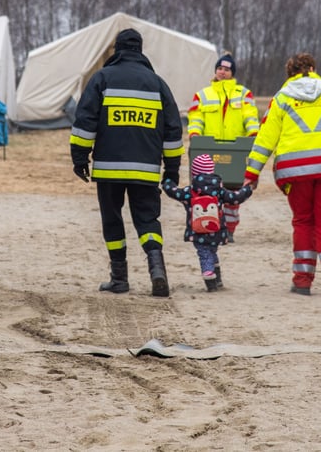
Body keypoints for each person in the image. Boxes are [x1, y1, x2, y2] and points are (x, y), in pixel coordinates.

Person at [243, 53, 321, 299]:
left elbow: (265, 138)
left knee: (303, 222)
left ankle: (302, 281)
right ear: (312, 68)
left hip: (294, 170)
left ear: (289, 73)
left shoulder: (281, 98)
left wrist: (252, 171)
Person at [70, 28, 184, 297]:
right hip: (146, 170)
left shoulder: (102, 78)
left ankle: (119, 279)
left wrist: (79, 158)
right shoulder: (157, 84)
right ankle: (157, 269)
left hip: (108, 169)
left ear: (117, 49)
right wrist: (172, 169)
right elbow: (173, 130)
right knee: (147, 220)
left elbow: (85, 121)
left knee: (112, 219)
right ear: (140, 50)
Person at [187, 53, 259, 241]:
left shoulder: (244, 94)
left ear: (232, 73)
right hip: (210, 152)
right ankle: (211, 227)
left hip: (236, 153)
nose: (222, 72)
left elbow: (250, 116)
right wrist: (195, 134)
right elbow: (196, 118)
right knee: (209, 194)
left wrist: (253, 134)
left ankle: (230, 230)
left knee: (233, 195)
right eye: (220, 68)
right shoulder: (202, 95)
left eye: (226, 69)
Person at [163, 153, 254, 291]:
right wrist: (248, 188)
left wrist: (167, 182)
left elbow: (174, 192)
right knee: (212, 251)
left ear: (193, 173)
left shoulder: (190, 191)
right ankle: (218, 279)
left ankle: (210, 279)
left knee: (204, 253)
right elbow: (235, 198)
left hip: (197, 231)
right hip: (216, 231)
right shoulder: (219, 191)